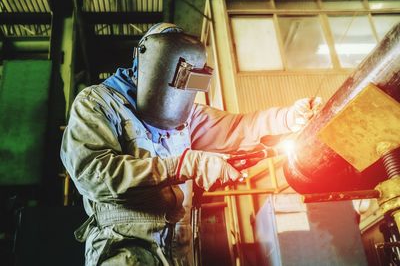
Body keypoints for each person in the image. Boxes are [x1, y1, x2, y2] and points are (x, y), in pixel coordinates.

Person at [60, 23, 321, 266]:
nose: (177, 94)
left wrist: (288, 117)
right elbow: (93, 174)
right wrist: (184, 165)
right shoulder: (98, 102)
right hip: (125, 249)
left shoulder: (186, 116)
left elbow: (241, 128)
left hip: (180, 252)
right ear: (150, 64)